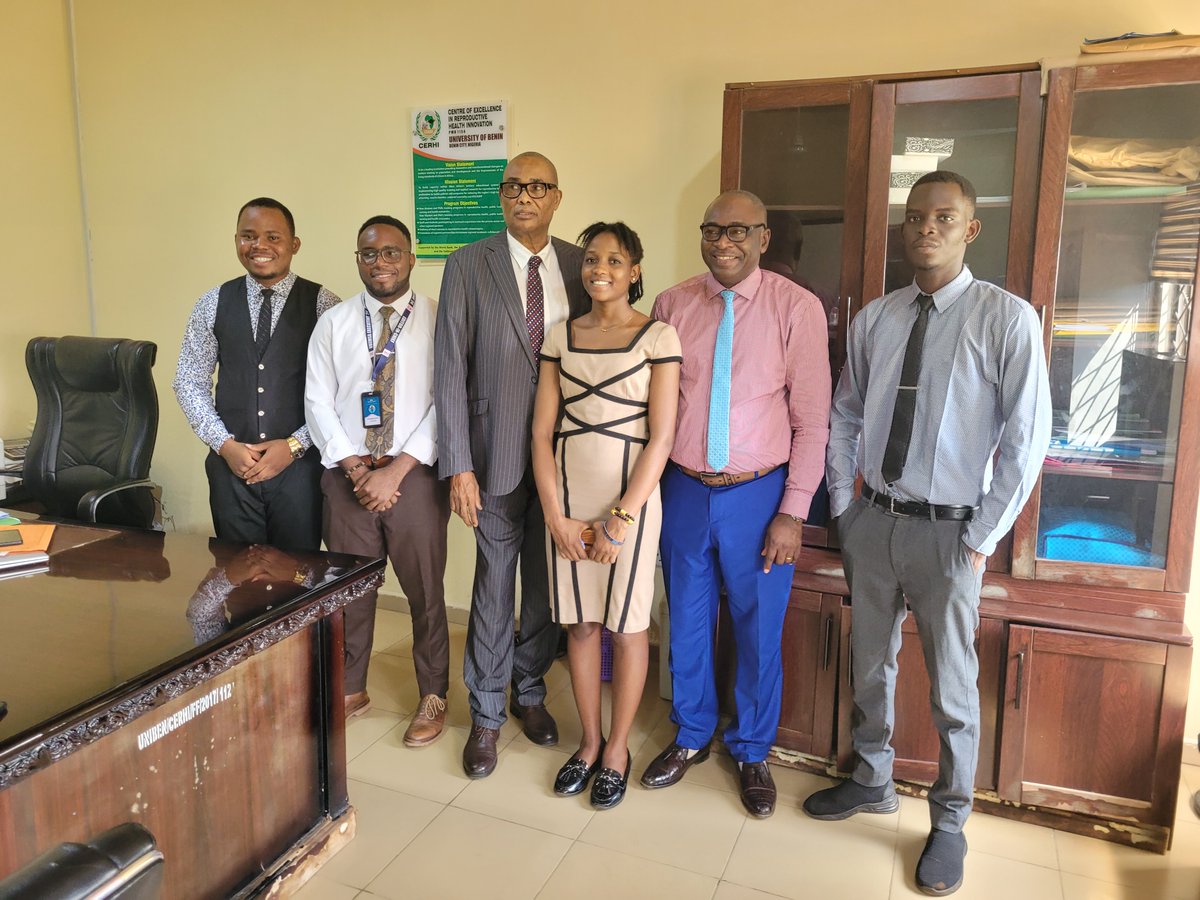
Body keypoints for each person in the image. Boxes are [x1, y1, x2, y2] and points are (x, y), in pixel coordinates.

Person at [804, 170, 1050, 896]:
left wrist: (981, 537)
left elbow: (1027, 440)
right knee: (870, 664)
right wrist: (844, 504)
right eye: (915, 217)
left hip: (951, 535)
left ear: (970, 230)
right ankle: (872, 779)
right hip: (874, 521)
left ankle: (949, 820)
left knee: (951, 687)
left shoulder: (1006, 319)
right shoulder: (876, 318)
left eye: (944, 217)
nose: (926, 228)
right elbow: (846, 413)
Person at [643, 190, 831, 818]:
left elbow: (812, 422)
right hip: (684, 490)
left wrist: (793, 510)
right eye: (712, 231)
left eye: (738, 232)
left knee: (758, 630)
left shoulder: (795, 309)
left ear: (763, 238)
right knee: (688, 624)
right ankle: (691, 734)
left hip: (760, 495)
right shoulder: (671, 305)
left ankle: (752, 749)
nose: (723, 243)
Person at [435, 151, 590, 778]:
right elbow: (448, 367)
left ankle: (530, 691)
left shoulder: (584, 264)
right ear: (502, 197)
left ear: (557, 197)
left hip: (565, 457)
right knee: (494, 585)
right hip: (492, 452)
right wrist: (458, 466)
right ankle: (487, 714)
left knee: (546, 587)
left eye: (537, 187)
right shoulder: (469, 263)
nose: (523, 196)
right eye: (513, 187)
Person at [531, 222, 681, 809]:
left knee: (628, 623)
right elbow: (542, 432)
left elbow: (662, 437)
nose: (601, 269)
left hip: (631, 500)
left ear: (635, 270)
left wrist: (621, 517)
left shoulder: (659, 337)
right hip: (566, 497)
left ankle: (619, 748)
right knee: (582, 625)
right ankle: (589, 743)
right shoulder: (560, 335)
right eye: (592, 259)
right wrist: (555, 516)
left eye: (615, 261)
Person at [305, 215, 450, 733]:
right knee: (350, 591)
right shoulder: (335, 323)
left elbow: (446, 403)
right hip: (348, 479)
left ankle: (433, 695)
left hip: (415, 477)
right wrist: (353, 464)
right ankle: (351, 687)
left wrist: (399, 469)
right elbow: (317, 401)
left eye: (392, 252)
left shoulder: (439, 319)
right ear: (358, 261)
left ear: (411, 258)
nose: (381, 261)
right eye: (370, 253)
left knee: (426, 594)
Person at [174, 198, 339, 551]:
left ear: (294, 244)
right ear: (236, 240)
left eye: (273, 237)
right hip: (231, 469)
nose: (260, 246)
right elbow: (189, 380)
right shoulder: (212, 302)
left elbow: (341, 391)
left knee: (297, 577)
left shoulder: (325, 305)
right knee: (238, 578)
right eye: (248, 236)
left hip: (301, 471)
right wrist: (224, 444)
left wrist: (295, 445)